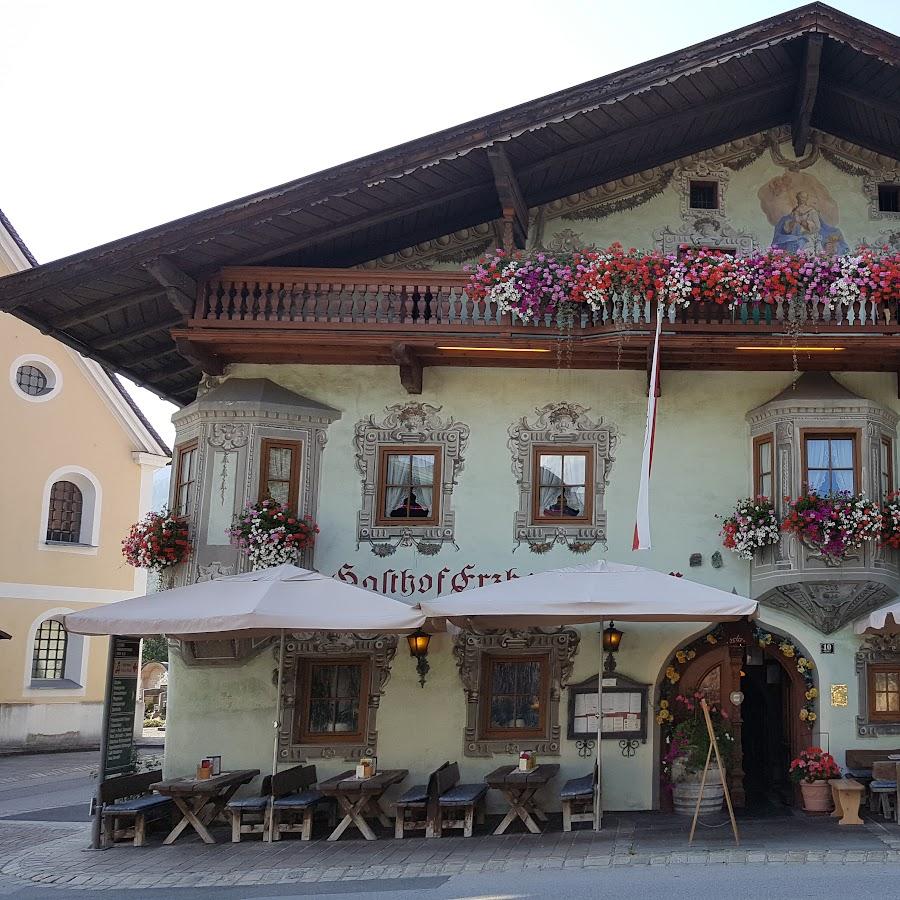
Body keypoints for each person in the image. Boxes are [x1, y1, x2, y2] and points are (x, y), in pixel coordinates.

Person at [771, 191, 848, 254]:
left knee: (807, 252)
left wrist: (806, 223)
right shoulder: (794, 212)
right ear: (797, 198)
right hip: (795, 238)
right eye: (801, 197)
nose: (802, 199)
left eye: (804, 197)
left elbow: (817, 226)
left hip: (808, 237)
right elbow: (787, 229)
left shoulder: (812, 211)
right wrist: (792, 223)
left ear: (806, 199)